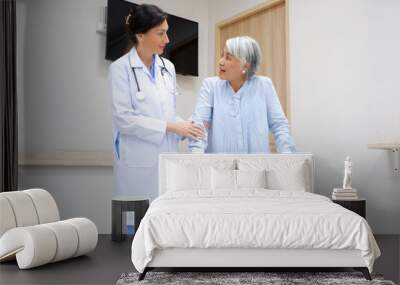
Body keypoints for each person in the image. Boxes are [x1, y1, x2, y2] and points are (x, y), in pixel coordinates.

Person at [109, 4, 204, 199]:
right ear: (140, 35)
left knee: (167, 220)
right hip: (137, 165)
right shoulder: (120, 69)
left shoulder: (167, 67)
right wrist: (172, 127)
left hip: (168, 160)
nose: (167, 40)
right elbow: (124, 120)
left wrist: (186, 127)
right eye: (160, 34)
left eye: (167, 33)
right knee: (135, 225)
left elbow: (167, 113)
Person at [189, 36, 295, 154]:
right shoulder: (210, 85)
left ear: (245, 65)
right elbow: (199, 127)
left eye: (228, 58)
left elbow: (279, 125)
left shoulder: (264, 85)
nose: (221, 62)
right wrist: (196, 160)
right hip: (219, 166)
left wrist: (287, 157)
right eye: (222, 55)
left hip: (256, 166)